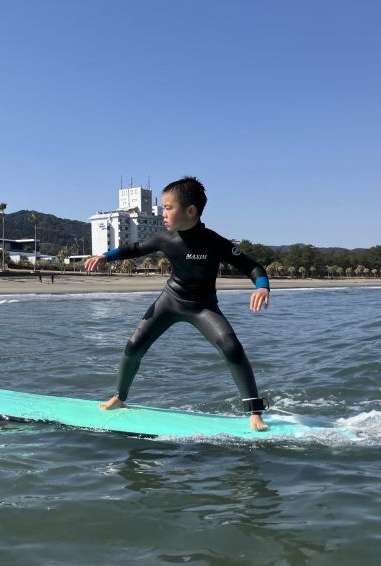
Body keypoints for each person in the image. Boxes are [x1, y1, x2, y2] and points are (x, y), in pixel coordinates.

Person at [84, 176, 271, 431]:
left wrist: (262, 286)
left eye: (168, 208)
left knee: (231, 348)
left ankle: (254, 411)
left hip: (202, 307)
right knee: (134, 345)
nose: (163, 213)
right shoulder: (166, 238)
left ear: (191, 211)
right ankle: (119, 397)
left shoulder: (214, 242)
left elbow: (252, 266)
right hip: (170, 301)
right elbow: (135, 248)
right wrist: (106, 255)